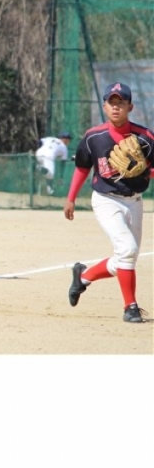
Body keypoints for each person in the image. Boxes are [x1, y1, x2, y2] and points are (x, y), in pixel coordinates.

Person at [64, 82, 154, 323]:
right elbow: (82, 167)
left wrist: (146, 170)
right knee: (127, 250)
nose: (116, 107)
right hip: (106, 200)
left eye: (120, 102)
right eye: (111, 102)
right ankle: (130, 307)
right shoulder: (94, 137)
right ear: (104, 106)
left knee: (126, 258)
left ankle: (83, 277)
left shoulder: (145, 137)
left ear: (130, 107)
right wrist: (71, 198)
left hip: (134, 201)